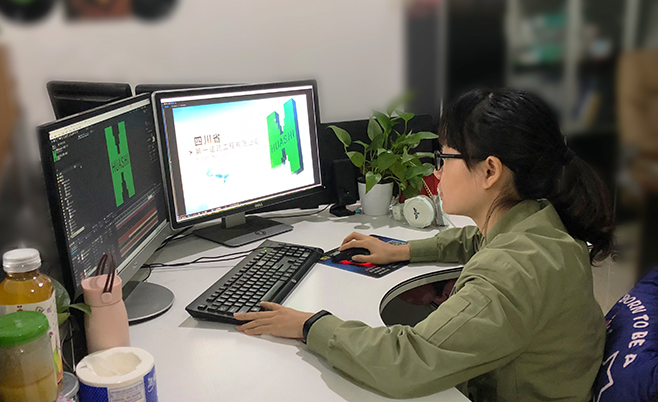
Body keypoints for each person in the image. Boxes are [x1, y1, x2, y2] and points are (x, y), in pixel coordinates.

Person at [234, 88, 613, 401]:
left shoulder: (510, 274)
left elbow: (406, 363)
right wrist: (403, 251)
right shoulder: (540, 222)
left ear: (490, 170)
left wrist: (309, 325)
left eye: (444, 158)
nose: (437, 171)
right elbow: (478, 238)